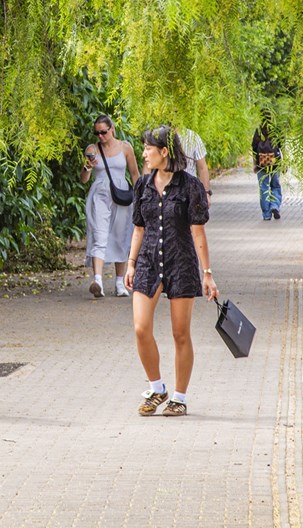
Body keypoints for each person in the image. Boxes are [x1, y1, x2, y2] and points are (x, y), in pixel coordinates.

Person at [124, 125, 218, 417]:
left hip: (181, 262)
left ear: (164, 152)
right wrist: (130, 263)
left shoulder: (190, 186)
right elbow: (139, 228)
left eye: (148, 149)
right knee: (141, 328)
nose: (144, 154)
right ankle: (157, 387)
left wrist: (207, 273)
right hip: (148, 261)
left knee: (180, 333)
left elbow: (198, 232)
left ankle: (179, 397)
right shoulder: (142, 185)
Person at [81, 115, 140, 297]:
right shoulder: (92, 149)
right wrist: (88, 167)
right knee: (99, 234)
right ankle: (97, 280)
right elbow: (83, 179)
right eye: (97, 133)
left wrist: (140, 198)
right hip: (99, 195)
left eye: (103, 132)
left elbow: (135, 174)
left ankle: (119, 282)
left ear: (112, 129)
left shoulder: (125, 148)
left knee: (120, 236)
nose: (100, 136)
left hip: (121, 195)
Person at [252, 114, 283, 220]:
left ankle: (266, 215)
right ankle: (274, 205)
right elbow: (282, 147)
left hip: (261, 163)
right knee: (275, 185)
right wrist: (284, 163)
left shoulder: (259, 130)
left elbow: (254, 148)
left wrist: (254, 164)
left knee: (263, 187)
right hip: (275, 162)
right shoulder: (276, 130)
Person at [177, 127, 212, 204]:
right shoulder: (159, 137)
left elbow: (202, 167)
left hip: (190, 191)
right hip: (168, 190)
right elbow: (202, 167)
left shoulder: (192, 137)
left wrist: (206, 193)